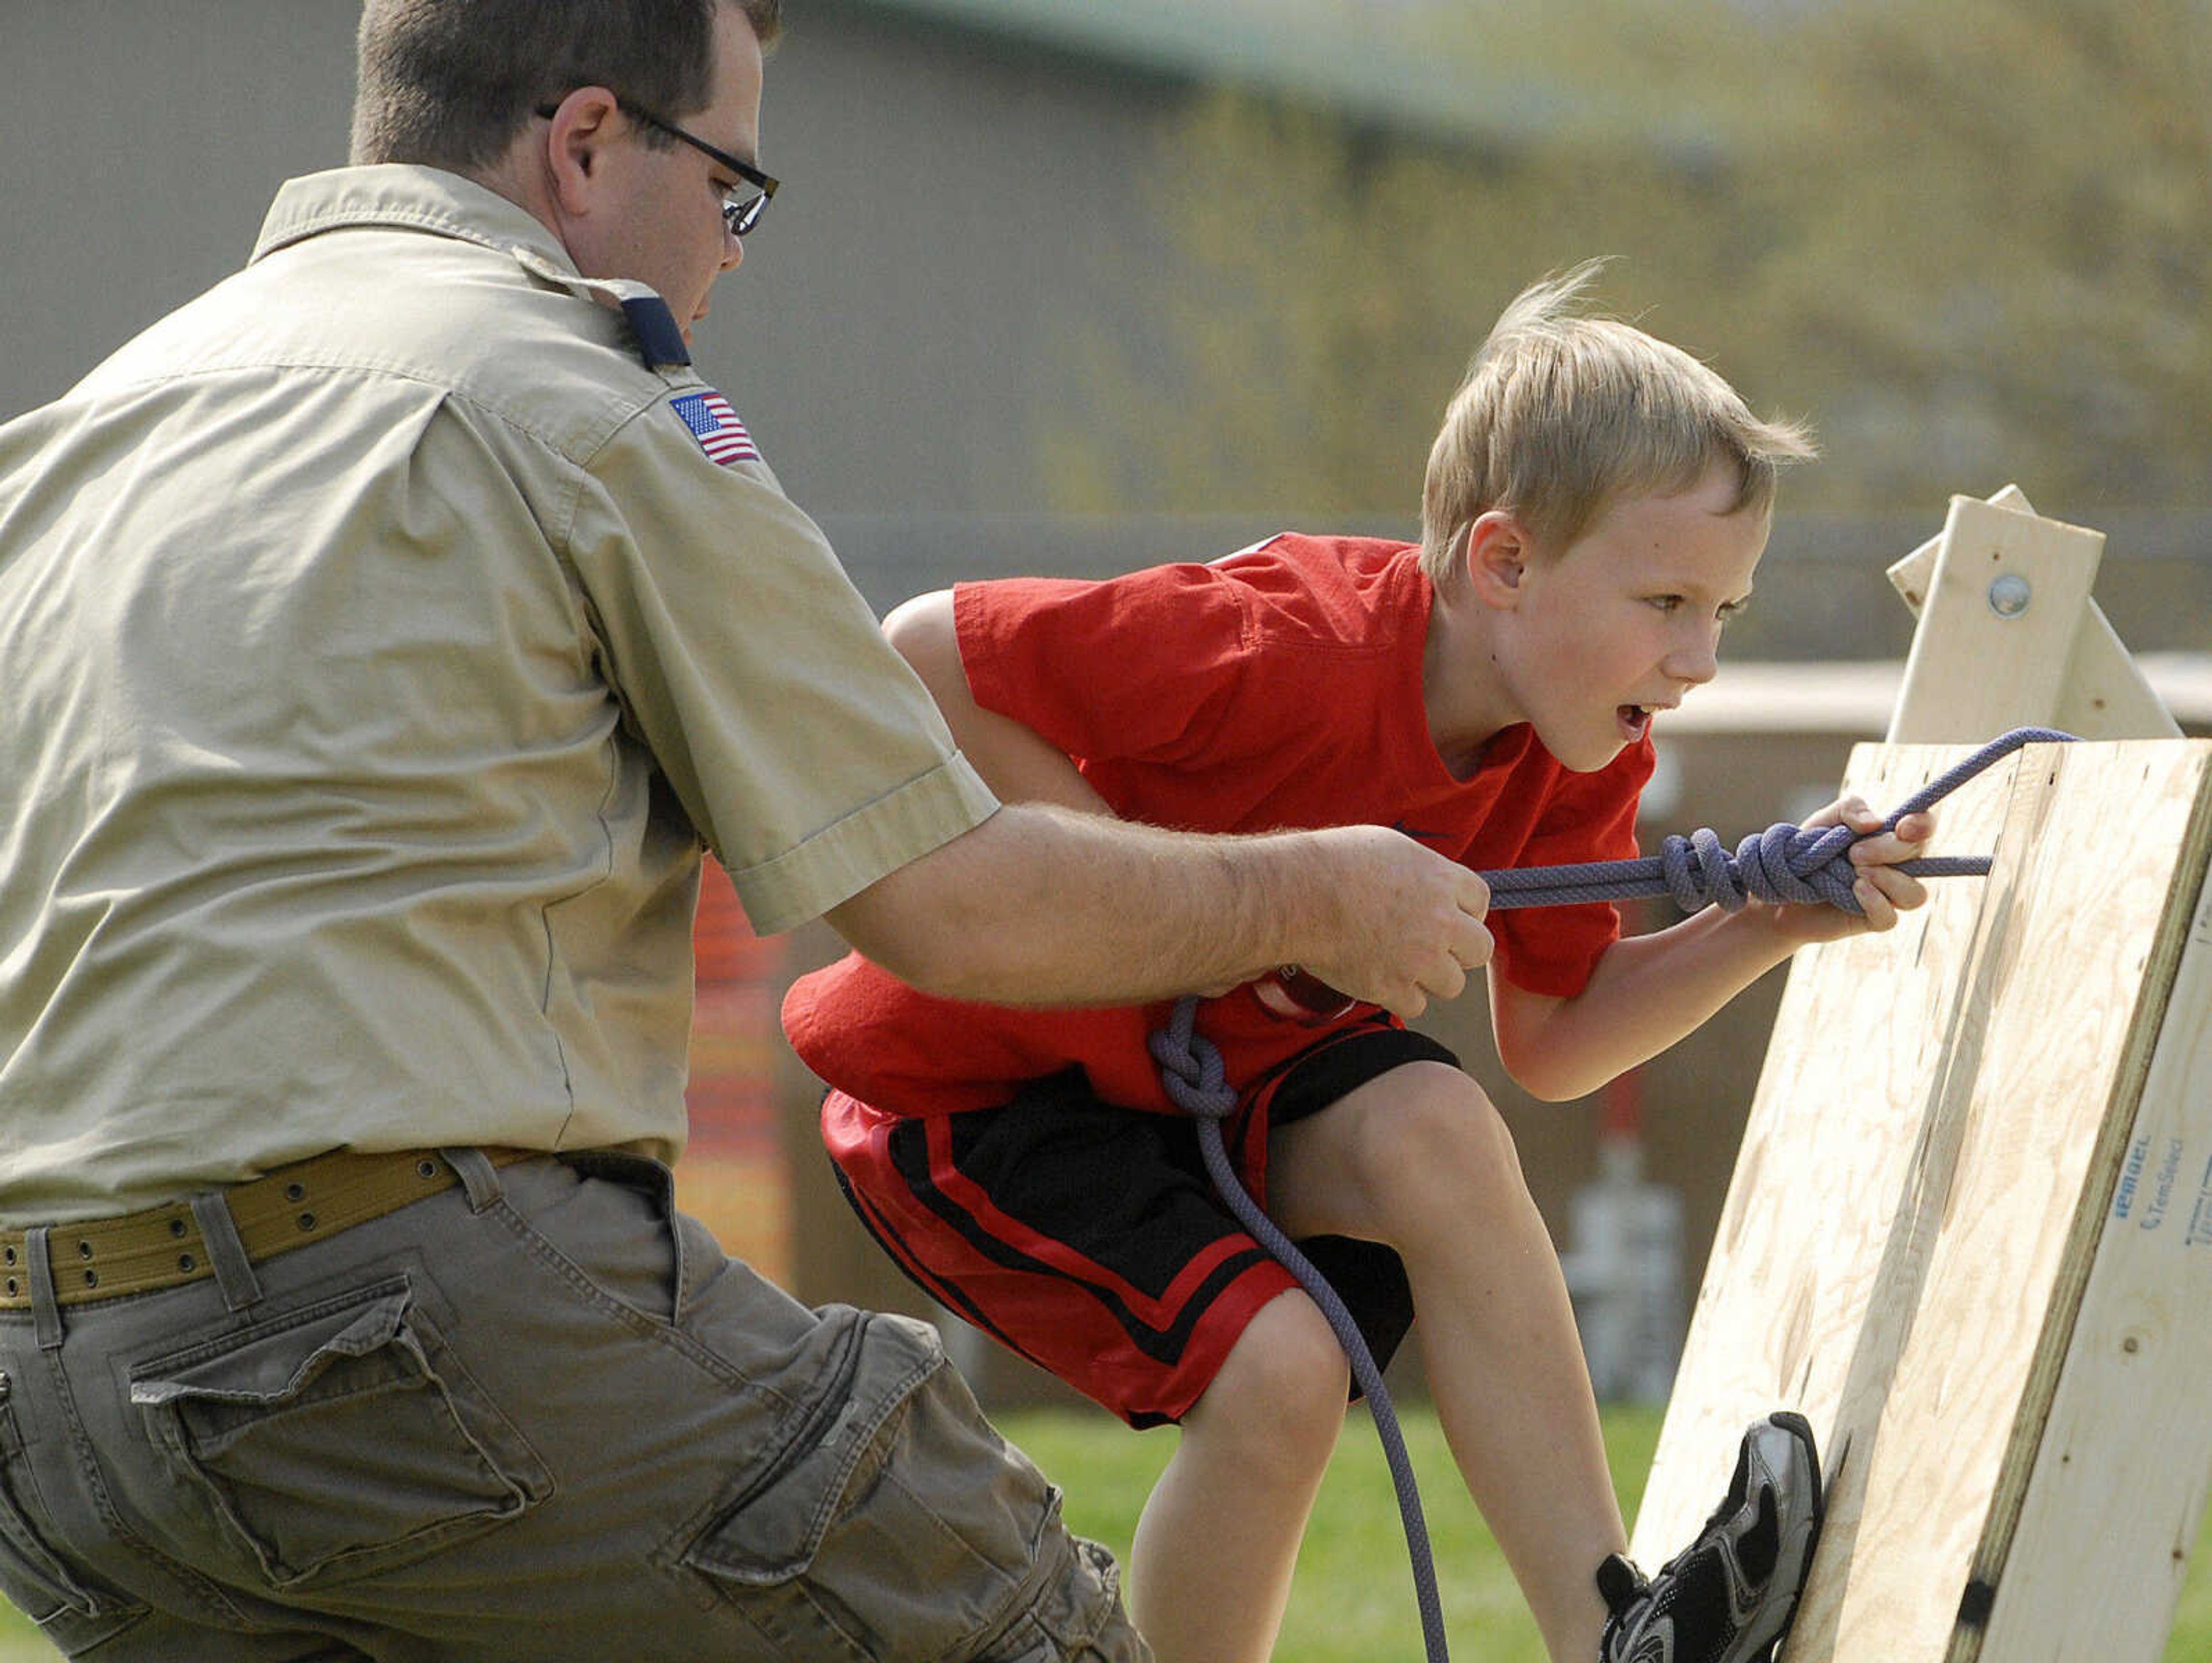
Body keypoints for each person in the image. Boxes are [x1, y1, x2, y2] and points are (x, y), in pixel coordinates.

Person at [0, 2, 1499, 1658]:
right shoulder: (579, 397)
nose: (735, 252)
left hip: (50, 1407)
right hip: (406, 1322)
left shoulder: (82, 434)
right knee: (1009, 1622)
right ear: (583, 145)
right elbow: (943, 901)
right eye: (732, 185)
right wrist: (1321, 890)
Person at [783, 263, 1939, 1663]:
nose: (1697, 658)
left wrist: (1767, 922)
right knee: (1282, 1370)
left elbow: (1559, 1035)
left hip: (1221, 1087)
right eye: (1666, 601)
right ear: (1504, 564)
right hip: (979, 1090)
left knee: (1442, 1126)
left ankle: (1613, 1635)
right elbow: (924, 654)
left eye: (1725, 612)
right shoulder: (1282, 642)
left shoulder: (1582, 744)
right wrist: (1133, 914)